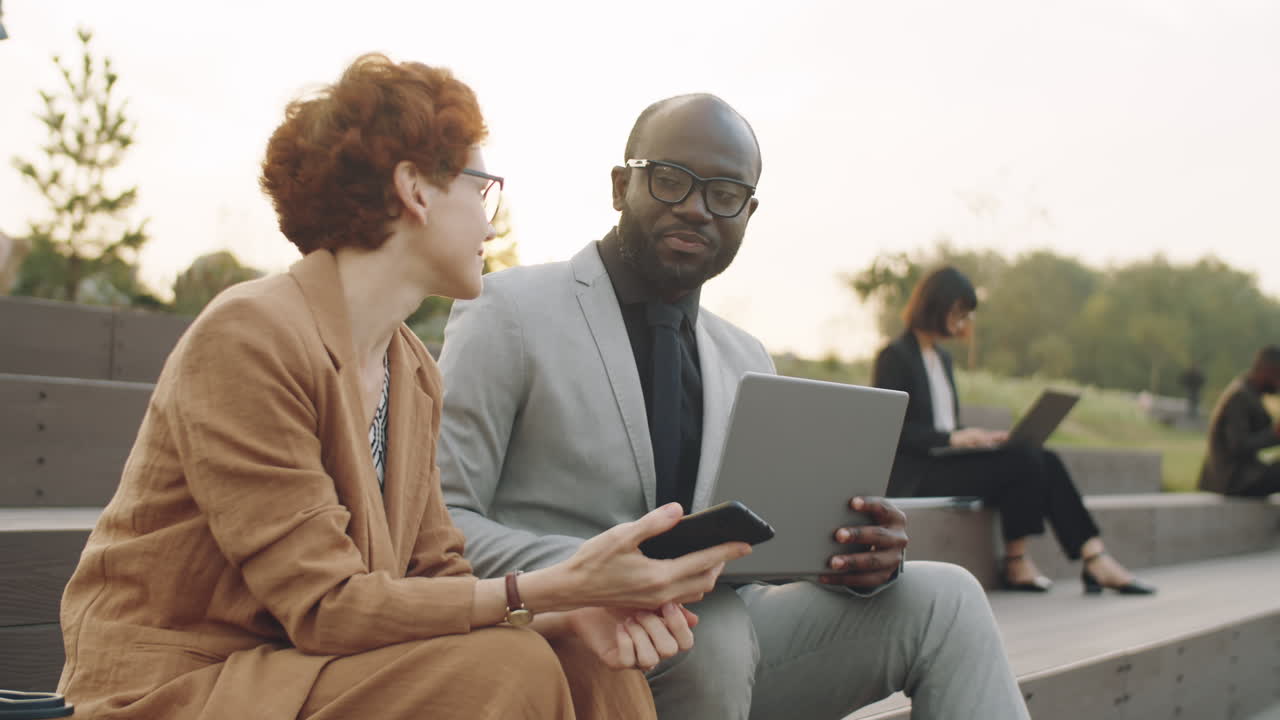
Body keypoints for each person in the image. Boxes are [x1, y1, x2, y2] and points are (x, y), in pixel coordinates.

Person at [56, 56, 750, 720]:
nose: (491, 220)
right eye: (481, 189)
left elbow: (437, 574)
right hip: (190, 684)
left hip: (316, 669)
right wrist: (556, 587)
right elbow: (325, 605)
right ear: (416, 189)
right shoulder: (248, 336)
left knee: (588, 658)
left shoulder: (409, 366)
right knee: (511, 667)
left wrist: (568, 617)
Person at [437, 93, 1029, 720]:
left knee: (948, 599)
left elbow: (753, 558)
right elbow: (441, 520)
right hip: (566, 637)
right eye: (670, 181)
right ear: (620, 186)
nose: (695, 208)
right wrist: (598, 577)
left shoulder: (745, 356)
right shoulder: (507, 311)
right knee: (711, 635)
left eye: (724, 195)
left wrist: (853, 557)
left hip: (713, 637)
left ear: (747, 214)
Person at [872, 266, 1156, 597]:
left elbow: (945, 422)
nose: (963, 322)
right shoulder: (894, 356)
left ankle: (1093, 555)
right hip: (917, 473)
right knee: (1025, 459)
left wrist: (976, 436)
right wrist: (951, 438)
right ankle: (1020, 560)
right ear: (937, 305)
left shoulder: (942, 359)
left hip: (948, 459)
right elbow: (891, 430)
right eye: (959, 312)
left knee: (1041, 456)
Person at [1199, 345, 1280, 497]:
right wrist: (1274, 434)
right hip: (1231, 479)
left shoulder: (1250, 393)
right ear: (1267, 371)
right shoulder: (1239, 396)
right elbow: (1238, 446)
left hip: (1242, 474)